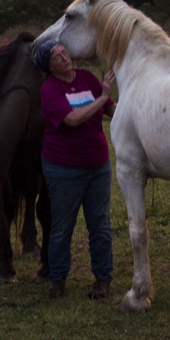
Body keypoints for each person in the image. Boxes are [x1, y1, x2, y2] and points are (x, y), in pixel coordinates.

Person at [33, 35, 117, 299]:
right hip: (64, 168)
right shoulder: (49, 90)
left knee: (100, 225)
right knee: (62, 227)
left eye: (65, 52)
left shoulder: (87, 78)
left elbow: (113, 110)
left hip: (98, 166)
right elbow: (72, 119)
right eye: (57, 57)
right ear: (49, 66)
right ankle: (57, 280)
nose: (65, 57)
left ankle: (102, 279)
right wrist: (103, 98)